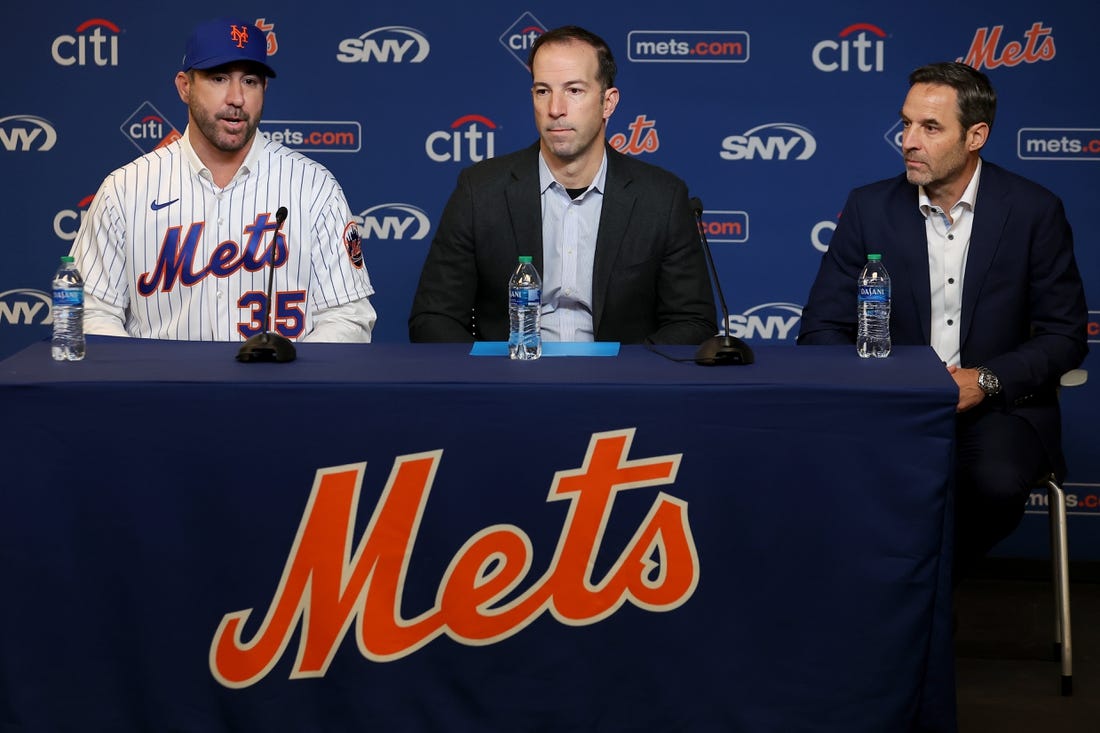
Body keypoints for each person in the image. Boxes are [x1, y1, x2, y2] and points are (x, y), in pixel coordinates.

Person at [798, 61, 1088, 576]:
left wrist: (986, 380)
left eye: (930, 127)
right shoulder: (869, 209)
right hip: (890, 406)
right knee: (840, 479)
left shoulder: (1033, 210)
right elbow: (820, 327)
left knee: (995, 484)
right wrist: (880, 380)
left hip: (998, 408)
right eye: (906, 123)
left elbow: (1065, 335)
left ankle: (920, 591)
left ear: (976, 135)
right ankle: (915, 600)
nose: (909, 140)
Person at [71, 18, 377, 342]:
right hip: (160, 390)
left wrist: (292, 382)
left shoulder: (314, 188)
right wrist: (140, 381)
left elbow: (347, 317)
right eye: (218, 78)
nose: (237, 98)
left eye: (250, 81)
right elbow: (90, 312)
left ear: (264, 89)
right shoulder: (124, 190)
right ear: (184, 87)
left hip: (281, 389)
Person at [408, 25, 716, 345]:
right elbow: (434, 317)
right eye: (543, 91)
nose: (555, 109)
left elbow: (692, 321)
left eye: (574, 90)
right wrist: (489, 378)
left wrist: (630, 373)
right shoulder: (480, 190)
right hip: (510, 382)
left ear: (607, 103)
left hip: (619, 386)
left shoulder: (661, 198)